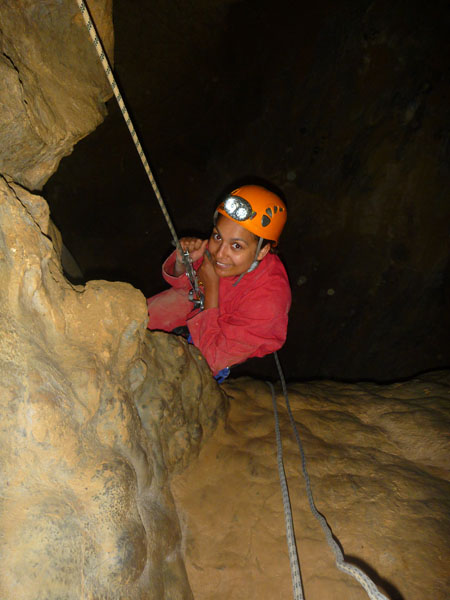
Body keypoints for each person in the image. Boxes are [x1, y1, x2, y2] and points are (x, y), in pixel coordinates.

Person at [147, 184, 291, 380]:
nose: (220, 253)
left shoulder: (268, 301)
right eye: (217, 236)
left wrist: (212, 289)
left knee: (184, 375)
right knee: (138, 318)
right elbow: (186, 285)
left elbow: (210, 360)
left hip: (222, 343)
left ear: (263, 251)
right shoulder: (217, 253)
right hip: (198, 310)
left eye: (236, 246)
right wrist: (183, 262)